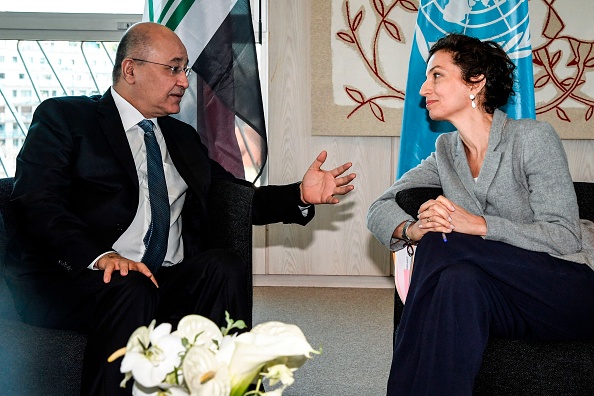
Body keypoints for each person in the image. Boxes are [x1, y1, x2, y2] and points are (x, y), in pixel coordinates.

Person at [4, 22, 356, 395]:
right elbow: (37, 200)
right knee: (131, 285)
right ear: (130, 70)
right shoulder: (66, 118)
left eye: (184, 69)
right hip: (81, 279)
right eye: (173, 68)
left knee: (222, 267)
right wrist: (101, 255)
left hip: (160, 278)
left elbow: (233, 197)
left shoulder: (181, 136)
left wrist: (298, 194)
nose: (185, 82)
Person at [367, 33, 594, 396]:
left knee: (445, 242)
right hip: (505, 300)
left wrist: (479, 226)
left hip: (566, 288)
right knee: (458, 279)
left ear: (476, 82)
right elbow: (379, 207)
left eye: (437, 75)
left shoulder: (532, 138)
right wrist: (414, 229)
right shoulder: (446, 151)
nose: (424, 88)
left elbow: (564, 235)